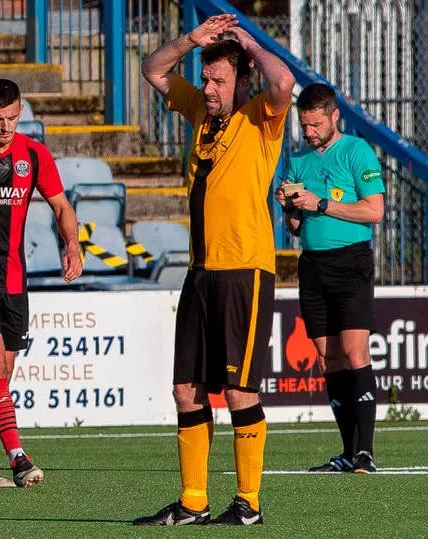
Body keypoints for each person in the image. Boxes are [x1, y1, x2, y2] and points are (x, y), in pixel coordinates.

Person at [137, 15, 294, 525]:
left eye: (219, 80)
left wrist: (247, 41)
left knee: (239, 390)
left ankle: (248, 504)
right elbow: (153, 70)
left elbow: (285, 82)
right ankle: (193, 502)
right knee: (186, 388)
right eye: (206, 79)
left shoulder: (261, 118)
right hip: (201, 271)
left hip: (243, 270)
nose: (208, 88)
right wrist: (190, 41)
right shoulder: (202, 117)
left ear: (242, 82)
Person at [0, 78, 83, 488]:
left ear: (20, 111)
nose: (5, 127)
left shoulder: (34, 154)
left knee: (0, 375)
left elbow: (61, 205)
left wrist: (72, 244)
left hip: (13, 279)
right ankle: (18, 456)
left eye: (11, 118)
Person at [275, 83, 384, 474]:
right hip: (313, 265)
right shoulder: (299, 159)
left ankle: (366, 452)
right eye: (304, 125)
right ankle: (347, 450)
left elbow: (374, 211)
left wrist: (321, 203)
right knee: (327, 356)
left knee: (355, 351)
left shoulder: (356, 151)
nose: (309, 132)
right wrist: (289, 207)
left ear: (334, 116)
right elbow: (294, 226)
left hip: (351, 262)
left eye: (315, 124)